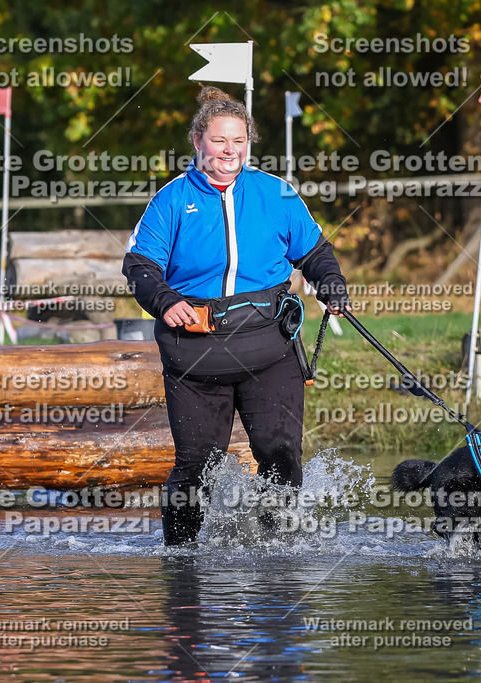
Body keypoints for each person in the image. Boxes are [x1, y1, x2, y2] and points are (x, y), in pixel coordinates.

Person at [122, 87, 351, 545]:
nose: (230, 151)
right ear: (197, 142)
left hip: (270, 350)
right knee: (196, 470)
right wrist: (166, 302)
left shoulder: (277, 194)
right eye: (219, 140)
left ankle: (276, 558)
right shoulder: (171, 200)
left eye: (239, 141)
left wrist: (332, 284)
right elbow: (140, 268)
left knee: (281, 457)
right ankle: (181, 562)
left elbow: (316, 253)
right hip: (195, 357)